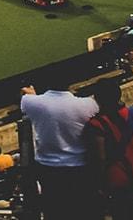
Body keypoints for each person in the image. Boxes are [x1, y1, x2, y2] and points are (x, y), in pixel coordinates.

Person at [20, 80, 98, 220]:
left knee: (54, 210)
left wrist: (33, 94)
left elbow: (32, 102)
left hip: (48, 168)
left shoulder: (31, 102)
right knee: (81, 210)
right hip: (78, 166)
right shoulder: (88, 104)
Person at [85, 80, 133, 220]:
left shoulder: (96, 123)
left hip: (116, 176)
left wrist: (98, 182)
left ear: (97, 98)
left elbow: (101, 157)